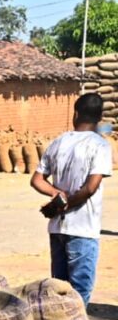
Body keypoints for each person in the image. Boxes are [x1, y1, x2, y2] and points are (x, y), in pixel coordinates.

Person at [31, 92, 112, 305]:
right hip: (83, 228)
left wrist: (56, 195)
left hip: (57, 228)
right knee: (79, 292)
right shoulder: (100, 145)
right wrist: (66, 204)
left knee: (59, 289)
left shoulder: (59, 142)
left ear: (75, 114)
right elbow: (91, 187)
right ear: (99, 117)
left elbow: (37, 180)